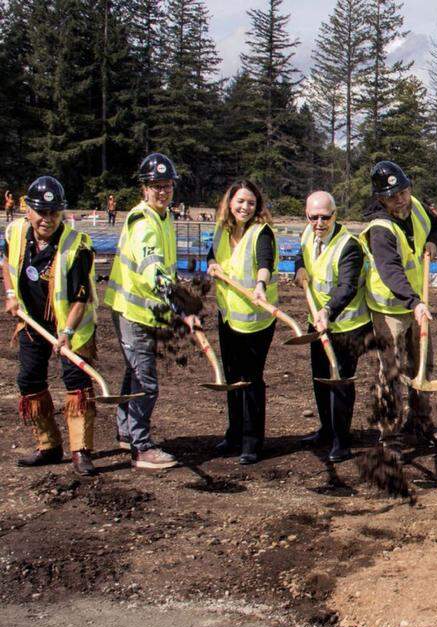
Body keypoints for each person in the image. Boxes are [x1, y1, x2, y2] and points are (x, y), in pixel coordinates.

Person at [104, 152, 201, 470]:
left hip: (144, 311)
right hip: (133, 312)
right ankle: (141, 447)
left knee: (135, 371)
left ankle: (125, 431)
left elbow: (165, 269)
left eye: (167, 186)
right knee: (146, 381)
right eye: (155, 186)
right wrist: (180, 306)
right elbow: (152, 269)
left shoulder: (164, 218)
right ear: (144, 189)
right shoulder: (143, 222)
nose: (162, 192)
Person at [1, 177, 99, 475]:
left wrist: (67, 333)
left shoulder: (77, 246)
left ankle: (80, 451)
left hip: (72, 324)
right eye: (41, 212)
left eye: (54, 212)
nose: (47, 219)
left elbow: (81, 297)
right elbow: (5, 262)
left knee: (77, 385)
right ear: (28, 210)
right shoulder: (15, 231)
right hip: (32, 321)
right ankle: (48, 445)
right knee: (29, 380)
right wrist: (9, 295)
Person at [360, 161, 437, 441]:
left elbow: (436, 226)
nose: (400, 199)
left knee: (422, 364)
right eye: (392, 196)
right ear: (380, 198)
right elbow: (390, 270)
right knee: (391, 370)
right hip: (390, 309)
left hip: (416, 302)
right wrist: (414, 302)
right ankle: (389, 430)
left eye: (403, 192)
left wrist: (434, 241)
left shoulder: (417, 205)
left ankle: (420, 422)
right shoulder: (380, 228)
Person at [206, 180, 278, 464]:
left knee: (251, 379)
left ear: (257, 206)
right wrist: (211, 263)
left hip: (256, 320)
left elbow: (265, 262)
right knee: (232, 377)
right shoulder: (221, 230)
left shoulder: (262, 232)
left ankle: (252, 441)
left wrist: (261, 284)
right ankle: (234, 434)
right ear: (230, 203)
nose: (245, 207)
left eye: (250, 203)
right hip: (228, 316)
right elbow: (212, 253)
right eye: (240, 202)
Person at [295, 192, 369, 462]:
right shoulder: (307, 234)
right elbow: (301, 255)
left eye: (325, 217)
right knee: (320, 379)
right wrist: (299, 268)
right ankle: (326, 430)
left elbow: (347, 286)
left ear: (335, 215)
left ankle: (341, 440)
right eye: (313, 217)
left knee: (340, 383)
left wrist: (328, 311)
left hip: (347, 327)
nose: (319, 223)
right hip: (317, 323)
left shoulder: (349, 246)